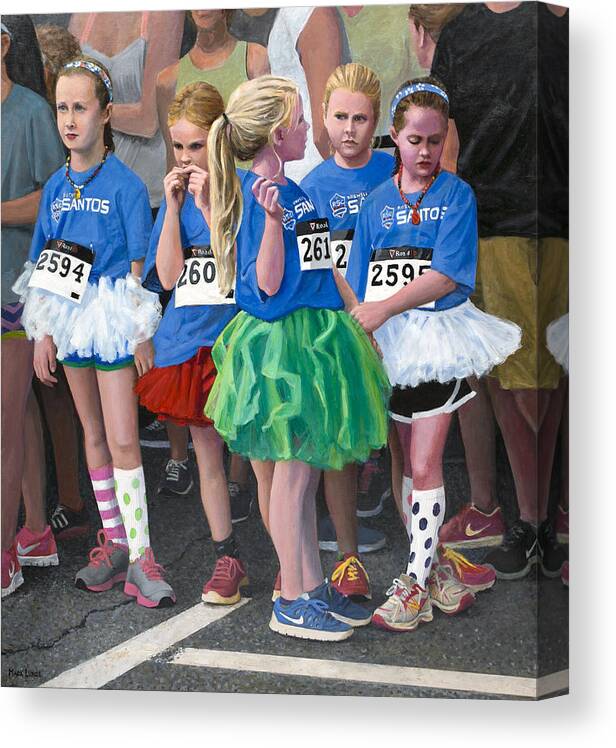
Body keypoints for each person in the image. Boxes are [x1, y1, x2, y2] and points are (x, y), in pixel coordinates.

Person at [205, 75, 390, 641]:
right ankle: (290, 596)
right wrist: (270, 223)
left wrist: (358, 310)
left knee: (304, 478)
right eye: (303, 119)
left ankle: (310, 584)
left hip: (317, 335)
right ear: (279, 131)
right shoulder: (257, 192)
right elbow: (264, 285)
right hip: (286, 345)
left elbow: (321, 259)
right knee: (290, 478)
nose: (310, 127)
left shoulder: (290, 184)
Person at [345, 77, 521, 632]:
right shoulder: (375, 203)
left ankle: (414, 585)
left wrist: (383, 310)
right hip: (391, 346)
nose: (425, 152)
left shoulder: (457, 196)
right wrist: (362, 323)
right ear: (393, 138)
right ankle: (438, 569)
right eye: (415, 140)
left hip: (438, 342)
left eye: (435, 141)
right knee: (404, 458)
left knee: (425, 463)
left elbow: (447, 276)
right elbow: (357, 277)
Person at [13, 56, 175, 609]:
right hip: (69, 321)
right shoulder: (56, 188)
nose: (69, 119)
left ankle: (145, 555)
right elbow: (44, 265)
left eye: (81, 107)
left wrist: (139, 332)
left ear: (105, 115)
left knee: (125, 436)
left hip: (111, 321)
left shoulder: (127, 187)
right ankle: (116, 541)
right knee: (93, 433)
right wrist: (41, 332)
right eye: (62, 107)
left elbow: (139, 267)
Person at [430, 3, 569, 578]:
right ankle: (529, 522)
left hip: (564, 223)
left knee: (556, 379)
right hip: (487, 229)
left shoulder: (565, 26)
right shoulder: (460, 33)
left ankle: (561, 521)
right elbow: (444, 140)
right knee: (507, 381)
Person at [135, 81, 248, 605]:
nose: (184, 157)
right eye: (177, 147)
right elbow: (166, 273)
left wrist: (206, 202)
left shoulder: (243, 190)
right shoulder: (175, 200)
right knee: (206, 451)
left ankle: (292, 556)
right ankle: (227, 556)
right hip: (187, 342)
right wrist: (175, 209)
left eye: (195, 146)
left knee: (256, 450)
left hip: (236, 342)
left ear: (219, 141)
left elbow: (241, 269)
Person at [300, 62, 394, 600]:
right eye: (340, 116)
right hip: (342, 326)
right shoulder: (311, 187)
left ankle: (421, 552)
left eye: (361, 118)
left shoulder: (393, 171)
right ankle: (349, 558)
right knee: (339, 438)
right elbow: (318, 264)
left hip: (398, 321)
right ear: (323, 116)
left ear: (375, 119)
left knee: (403, 434)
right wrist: (358, 310)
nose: (350, 129)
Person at [1, 17, 65, 597]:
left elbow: (54, 197)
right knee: (17, 416)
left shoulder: (31, 112)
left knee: (9, 419)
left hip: (16, 287)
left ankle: (9, 554)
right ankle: (37, 531)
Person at [69, 10, 184, 213]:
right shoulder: (83, 14)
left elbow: (148, 120)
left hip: (146, 190)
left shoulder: (165, 13)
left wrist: (85, 115)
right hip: (92, 188)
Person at [156, 9, 268, 170]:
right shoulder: (167, 80)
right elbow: (173, 160)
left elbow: (267, 143)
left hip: (246, 187)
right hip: (195, 189)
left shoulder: (255, 58)